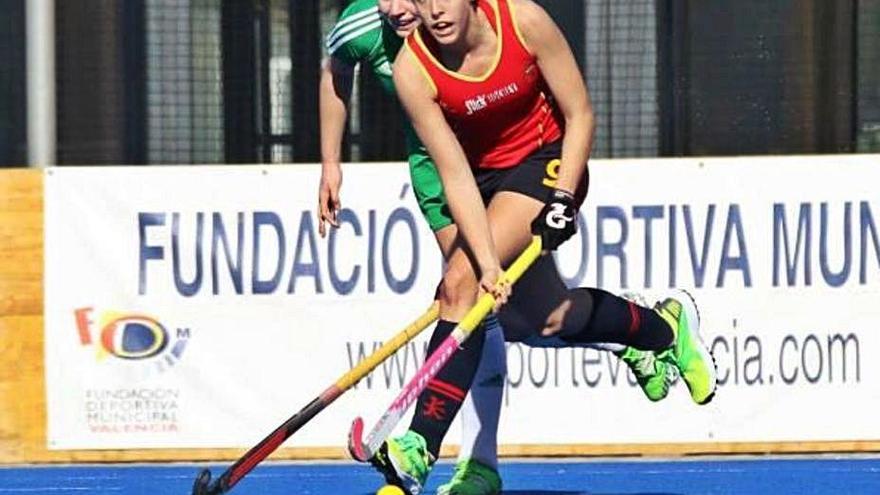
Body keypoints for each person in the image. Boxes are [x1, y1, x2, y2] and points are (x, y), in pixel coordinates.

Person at [318, 1, 684, 494]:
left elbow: (580, 114)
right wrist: (490, 264)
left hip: (543, 160)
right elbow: (454, 174)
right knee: (541, 318)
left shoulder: (522, 20)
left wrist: (562, 198)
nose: (431, 11)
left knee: (458, 287)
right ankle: (660, 328)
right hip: (475, 174)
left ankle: (421, 446)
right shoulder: (410, 66)